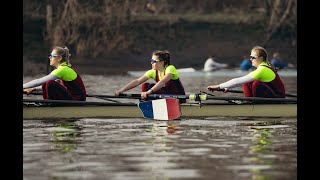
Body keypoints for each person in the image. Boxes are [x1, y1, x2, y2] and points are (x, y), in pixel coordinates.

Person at [207, 46, 286, 98]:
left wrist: (218, 86)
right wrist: (228, 86)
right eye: (250, 57)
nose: (250, 59)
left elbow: (237, 81)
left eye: (253, 57)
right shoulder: (265, 65)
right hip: (274, 94)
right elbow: (242, 81)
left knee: (257, 83)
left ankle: (254, 105)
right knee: (247, 82)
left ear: (261, 58)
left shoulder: (262, 69)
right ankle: (249, 103)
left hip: (279, 97)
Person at [115, 50, 186, 103]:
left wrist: (149, 91)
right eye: (151, 60)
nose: (151, 63)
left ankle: (147, 101)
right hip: (165, 96)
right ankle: (145, 103)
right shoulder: (153, 72)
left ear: (161, 62)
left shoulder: (170, 68)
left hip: (178, 97)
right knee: (145, 85)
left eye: (154, 61)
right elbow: (137, 81)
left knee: (150, 88)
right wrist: (121, 90)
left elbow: (163, 81)